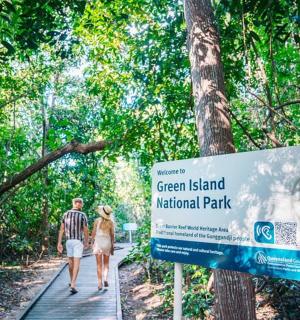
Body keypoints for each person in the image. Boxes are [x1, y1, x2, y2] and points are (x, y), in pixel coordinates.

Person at [57, 198, 89, 294]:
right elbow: (86, 230)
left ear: (74, 204)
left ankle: (71, 281)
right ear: (81, 205)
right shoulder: (82, 215)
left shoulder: (66, 214)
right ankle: (73, 284)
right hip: (78, 241)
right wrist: (87, 241)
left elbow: (61, 229)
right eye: (81, 203)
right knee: (76, 262)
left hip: (68, 241)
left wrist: (59, 242)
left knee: (70, 262)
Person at [91, 205, 115, 290]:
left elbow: (93, 233)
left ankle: (99, 283)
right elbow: (112, 235)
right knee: (106, 264)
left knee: (98, 265)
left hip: (98, 244)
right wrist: (112, 245)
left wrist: (91, 242)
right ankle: (105, 279)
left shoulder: (97, 221)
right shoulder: (111, 222)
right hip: (107, 243)